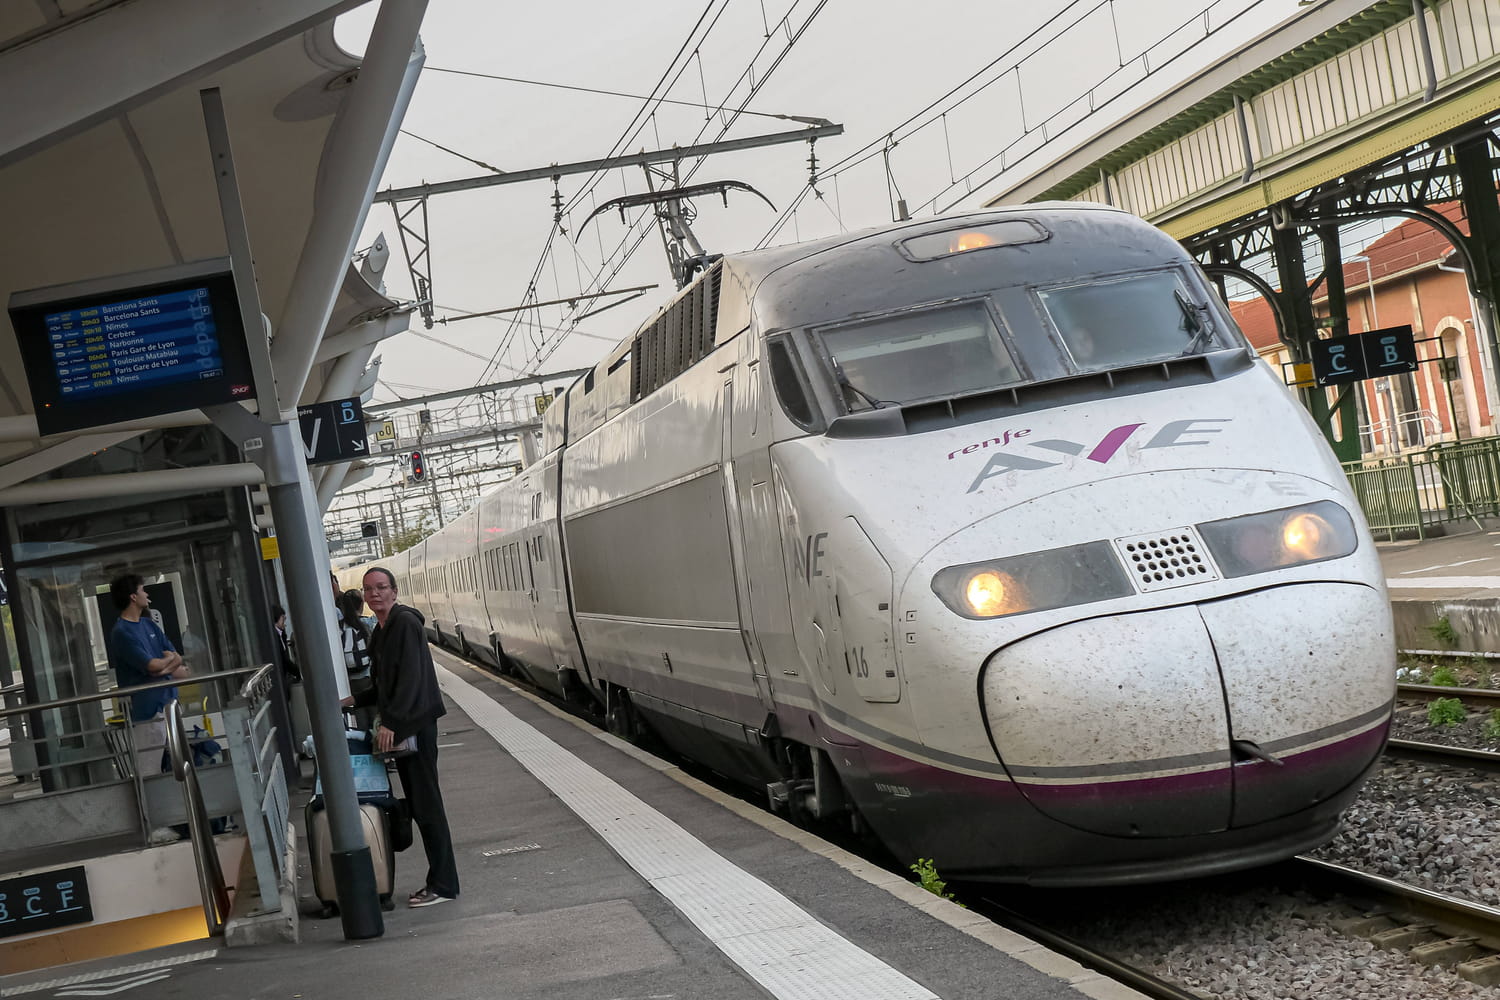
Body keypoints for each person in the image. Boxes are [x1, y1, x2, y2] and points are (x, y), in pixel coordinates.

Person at [345, 566, 458, 908]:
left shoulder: (405, 624)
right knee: (422, 804)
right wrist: (354, 699)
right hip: (405, 725)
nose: (375, 594)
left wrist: (391, 723)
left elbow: (410, 679)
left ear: (394, 591)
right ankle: (439, 880)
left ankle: (444, 884)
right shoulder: (380, 630)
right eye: (368, 589)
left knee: (427, 806)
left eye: (381, 587)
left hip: (415, 726)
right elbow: (384, 685)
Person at [108, 574, 189, 845]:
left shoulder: (148, 623)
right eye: (143, 590)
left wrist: (165, 665)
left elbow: (175, 658)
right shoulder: (122, 632)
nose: (148, 595)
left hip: (168, 704)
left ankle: (173, 818)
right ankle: (151, 827)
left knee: (174, 764)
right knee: (148, 769)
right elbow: (153, 666)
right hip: (146, 711)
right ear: (133, 596)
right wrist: (163, 667)